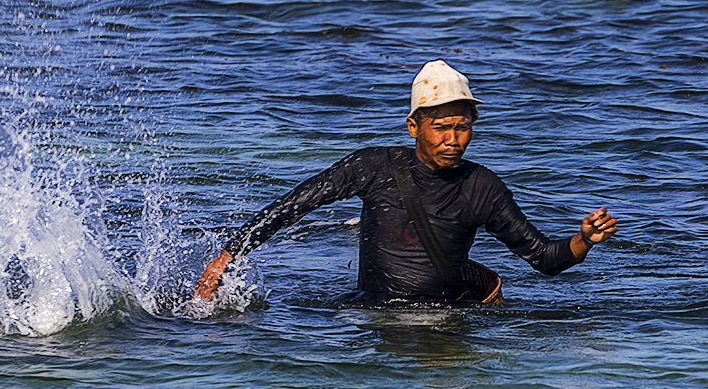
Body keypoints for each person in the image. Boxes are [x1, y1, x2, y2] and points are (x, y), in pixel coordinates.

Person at [193, 60, 618, 303]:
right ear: (413, 127)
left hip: (445, 320)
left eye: (463, 127)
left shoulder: (482, 186)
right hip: (373, 314)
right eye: (442, 127)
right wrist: (225, 258)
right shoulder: (373, 166)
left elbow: (544, 258)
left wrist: (583, 239)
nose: (454, 140)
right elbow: (291, 207)